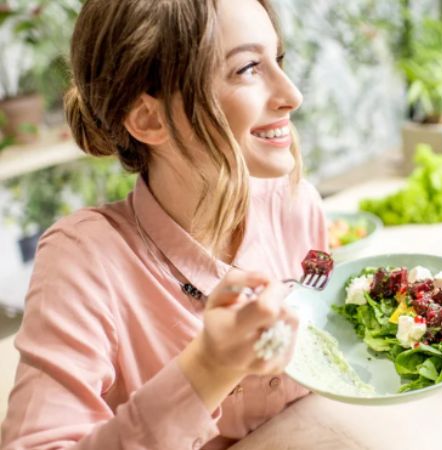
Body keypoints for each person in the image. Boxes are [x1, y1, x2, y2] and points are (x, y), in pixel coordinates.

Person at [0, 0, 328, 448]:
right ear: (149, 118)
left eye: (278, 60)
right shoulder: (82, 260)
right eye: (248, 67)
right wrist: (209, 368)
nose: (292, 94)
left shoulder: (297, 206)